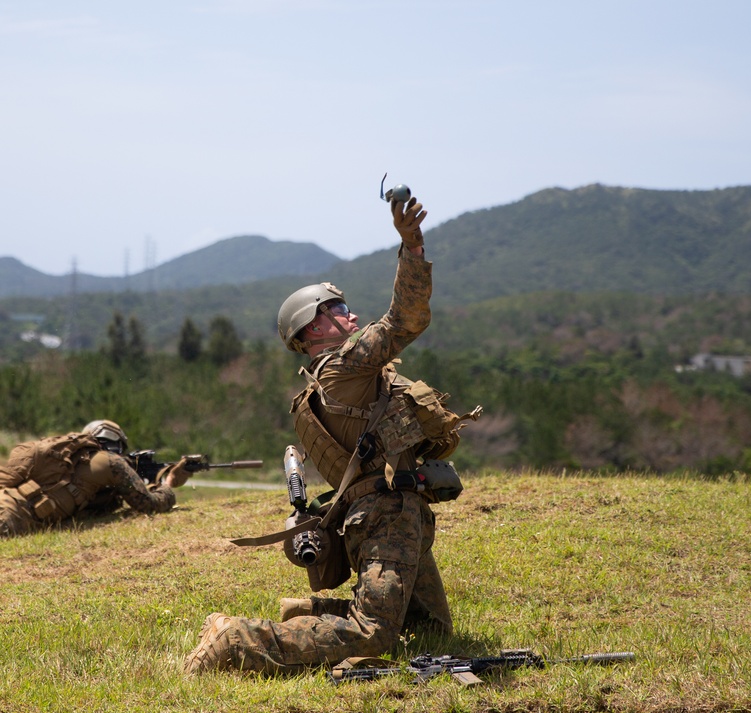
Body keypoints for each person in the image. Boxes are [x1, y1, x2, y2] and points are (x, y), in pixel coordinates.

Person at [185, 190, 477, 675]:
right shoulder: (344, 367)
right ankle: (238, 640)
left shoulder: (319, 390)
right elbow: (405, 319)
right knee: (375, 635)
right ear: (312, 329)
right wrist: (412, 249)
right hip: (386, 516)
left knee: (426, 634)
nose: (350, 314)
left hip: (394, 512)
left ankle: (302, 615)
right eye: (337, 308)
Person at [0, 420, 193, 537]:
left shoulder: (60, 457)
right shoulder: (111, 462)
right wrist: (169, 482)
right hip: (9, 523)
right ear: (116, 445)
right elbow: (149, 505)